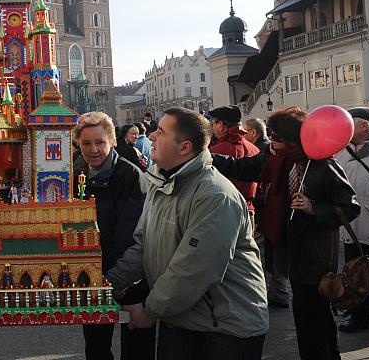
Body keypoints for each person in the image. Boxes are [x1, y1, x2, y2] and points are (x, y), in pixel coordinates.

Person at [107, 107, 268, 359]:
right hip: (181, 316)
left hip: (225, 325)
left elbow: (194, 269)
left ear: (184, 148)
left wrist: (149, 311)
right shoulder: (160, 182)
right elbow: (143, 246)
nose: (151, 138)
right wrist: (110, 283)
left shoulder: (214, 195)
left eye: (160, 132)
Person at [212, 106, 360, 360]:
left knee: (311, 314)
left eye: (276, 137)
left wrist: (314, 208)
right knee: (311, 313)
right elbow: (242, 167)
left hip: (314, 253)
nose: (271, 141)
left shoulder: (321, 164)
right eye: (269, 134)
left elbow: (350, 206)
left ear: (293, 140)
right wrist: (206, 156)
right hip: (288, 248)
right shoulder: (274, 157)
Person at [74, 112, 153, 360]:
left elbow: (132, 235)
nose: (94, 149)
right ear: (78, 144)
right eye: (86, 143)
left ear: (112, 141)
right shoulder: (74, 174)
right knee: (96, 346)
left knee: (136, 348)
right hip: (94, 279)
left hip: (130, 280)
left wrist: (115, 279)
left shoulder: (130, 176)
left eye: (100, 142)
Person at [335, 106, 369, 333]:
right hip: (351, 225)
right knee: (355, 277)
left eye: (350, 122)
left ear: (364, 125)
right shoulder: (342, 150)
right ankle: (360, 318)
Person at [208, 105, 260, 220]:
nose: (213, 127)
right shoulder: (254, 149)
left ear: (221, 125)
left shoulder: (214, 152)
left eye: (214, 124)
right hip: (249, 210)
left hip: (223, 212)